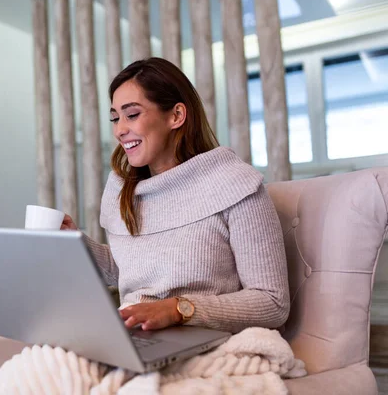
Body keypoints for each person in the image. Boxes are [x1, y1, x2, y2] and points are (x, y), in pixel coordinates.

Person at [61, 57, 289, 334]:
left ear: (176, 116)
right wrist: (76, 243)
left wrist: (178, 309)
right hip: (135, 336)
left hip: (203, 340)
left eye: (132, 114)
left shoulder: (235, 185)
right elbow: (131, 272)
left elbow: (273, 302)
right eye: (115, 117)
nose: (119, 129)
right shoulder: (124, 190)